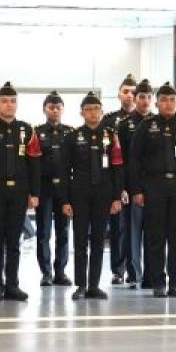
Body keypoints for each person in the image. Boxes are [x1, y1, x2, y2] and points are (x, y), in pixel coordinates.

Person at [128, 82, 176, 298]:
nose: (168, 103)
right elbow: (134, 160)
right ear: (157, 102)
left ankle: (175, 282)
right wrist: (136, 190)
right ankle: (158, 282)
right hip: (154, 187)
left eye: (172, 100)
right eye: (163, 100)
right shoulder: (146, 126)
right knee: (155, 236)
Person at [0, 81, 41, 302]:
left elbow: (34, 163)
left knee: (14, 241)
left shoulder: (26, 130)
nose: (9, 105)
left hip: (19, 192)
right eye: (4, 101)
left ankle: (12, 285)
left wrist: (34, 193)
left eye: (13, 101)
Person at [60, 91, 124, 300]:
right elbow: (63, 171)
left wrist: (116, 197)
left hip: (103, 194)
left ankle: (94, 285)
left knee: (98, 240)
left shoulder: (111, 136)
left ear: (102, 111)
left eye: (96, 109)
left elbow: (117, 167)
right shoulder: (72, 136)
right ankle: (80, 285)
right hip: (79, 193)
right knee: (80, 241)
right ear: (82, 113)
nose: (93, 113)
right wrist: (65, 200)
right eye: (88, 110)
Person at [35, 91, 73, 287]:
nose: (55, 110)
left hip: (64, 189)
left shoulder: (71, 132)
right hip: (44, 187)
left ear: (63, 109)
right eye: (51, 107)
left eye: (58, 107)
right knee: (43, 232)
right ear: (44, 109)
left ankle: (61, 271)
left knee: (63, 231)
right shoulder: (36, 132)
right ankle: (46, 273)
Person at [119, 79, 154, 289]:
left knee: (153, 233)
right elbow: (121, 160)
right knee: (132, 233)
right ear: (135, 98)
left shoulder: (156, 123)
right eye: (141, 97)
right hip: (133, 187)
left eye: (149, 97)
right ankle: (134, 273)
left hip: (154, 187)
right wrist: (123, 187)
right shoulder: (125, 125)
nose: (145, 101)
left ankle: (151, 273)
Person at [102, 73, 136, 285]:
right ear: (118, 94)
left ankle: (137, 270)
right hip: (117, 180)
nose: (130, 96)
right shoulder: (109, 121)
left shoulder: (147, 120)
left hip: (140, 182)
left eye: (134, 92)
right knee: (119, 228)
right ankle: (118, 269)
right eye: (126, 92)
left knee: (141, 229)